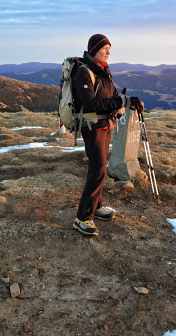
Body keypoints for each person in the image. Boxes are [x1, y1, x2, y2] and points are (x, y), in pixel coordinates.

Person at [72, 34, 143, 236]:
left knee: (100, 167)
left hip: (105, 126)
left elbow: (111, 97)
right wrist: (120, 103)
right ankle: (83, 217)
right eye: (105, 48)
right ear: (94, 49)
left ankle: (97, 206)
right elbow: (91, 104)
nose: (108, 52)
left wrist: (124, 103)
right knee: (99, 170)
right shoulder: (84, 73)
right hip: (91, 127)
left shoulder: (103, 71)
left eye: (110, 48)